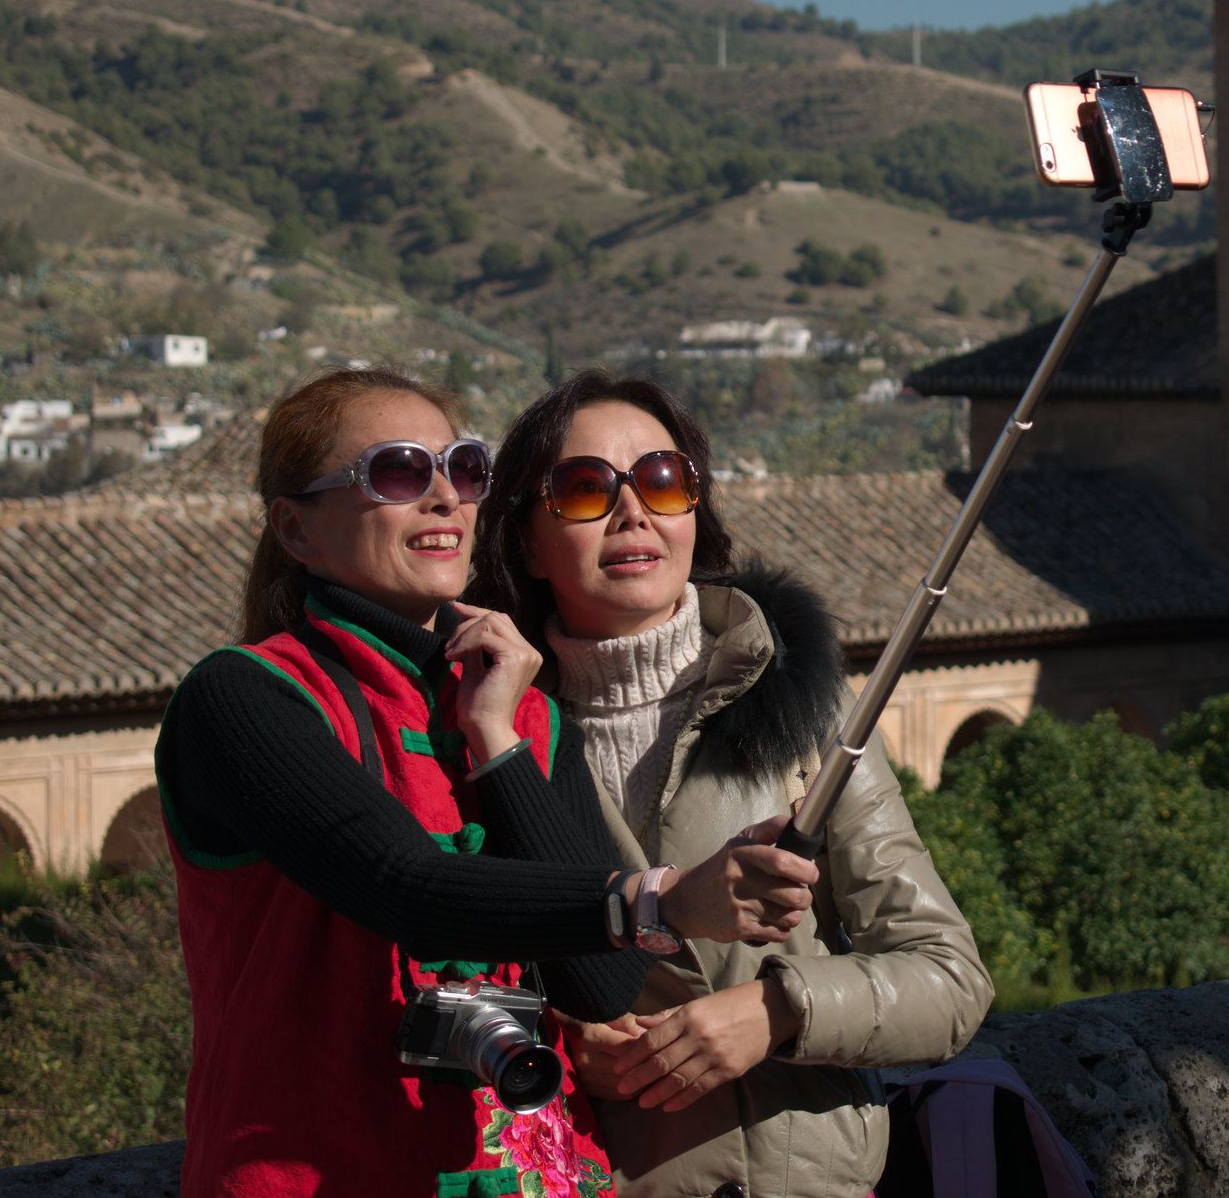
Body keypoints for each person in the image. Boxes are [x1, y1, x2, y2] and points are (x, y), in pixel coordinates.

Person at [155, 366, 815, 1198]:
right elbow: (405, 885)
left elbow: (598, 982)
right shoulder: (245, 697)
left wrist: (499, 743)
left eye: (464, 469)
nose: (444, 497)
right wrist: (666, 899)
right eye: (398, 471)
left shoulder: (522, 711)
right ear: (296, 529)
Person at [472, 369, 993, 1198]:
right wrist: (560, 1036)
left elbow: (950, 978)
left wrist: (780, 1009)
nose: (632, 511)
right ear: (527, 540)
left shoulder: (800, 705)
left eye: (663, 481)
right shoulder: (484, 728)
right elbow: (437, 972)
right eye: (582, 489)